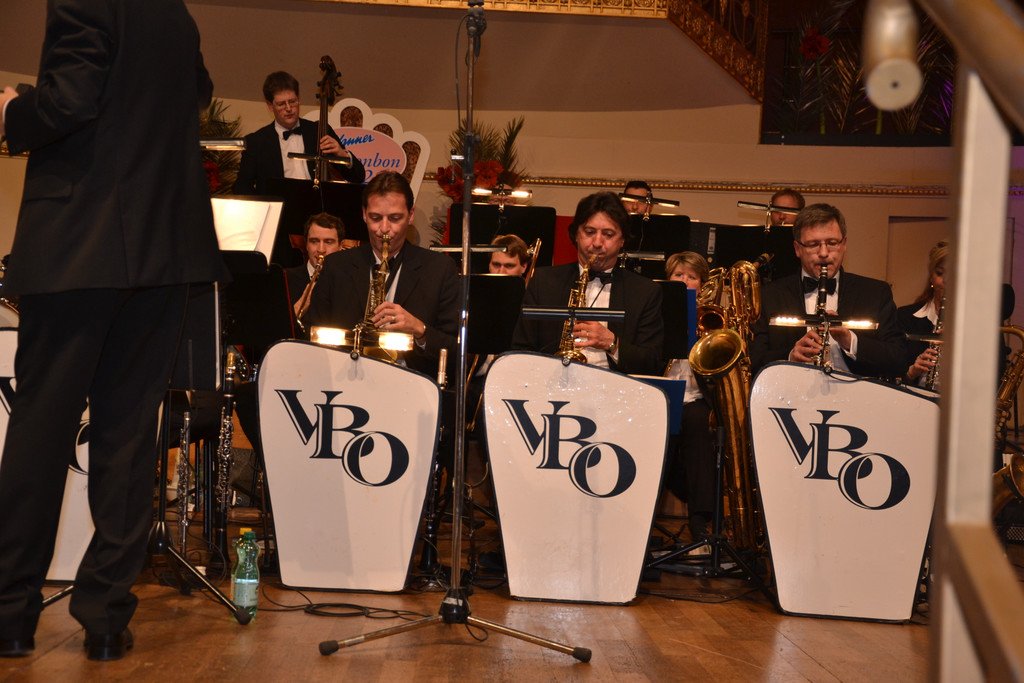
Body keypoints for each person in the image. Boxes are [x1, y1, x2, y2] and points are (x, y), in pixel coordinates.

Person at [0, 0, 223, 661]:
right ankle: (104, 614)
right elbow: (197, 91)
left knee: (41, 431)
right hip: (162, 249)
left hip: (78, 247)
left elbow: (70, 98)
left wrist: (13, 110)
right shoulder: (175, 13)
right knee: (127, 436)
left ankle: (10, 612)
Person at [306, 172, 459, 376]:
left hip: (412, 383)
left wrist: (419, 329)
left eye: (395, 218)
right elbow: (313, 336)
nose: (384, 229)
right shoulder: (336, 266)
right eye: (376, 218)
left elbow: (456, 350)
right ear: (364, 214)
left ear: (411, 215)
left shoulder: (439, 268)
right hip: (344, 381)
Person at [512, 191, 664, 376]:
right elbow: (520, 349)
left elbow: (652, 363)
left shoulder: (645, 292)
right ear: (576, 234)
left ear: (622, 240)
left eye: (608, 234)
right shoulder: (543, 281)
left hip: (615, 388)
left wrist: (612, 343)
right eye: (589, 232)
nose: (597, 243)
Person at [750, 203, 906, 378]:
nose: (824, 253)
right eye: (813, 244)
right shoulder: (769, 295)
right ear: (797, 249)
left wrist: (851, 342)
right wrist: (790, 357)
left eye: (832, 243)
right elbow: (752, 362)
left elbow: (899, 360)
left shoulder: (875, 293)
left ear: (844, 244)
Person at [232, 71, 365, 195]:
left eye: (292, 101)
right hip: (280, 209)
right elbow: (241, 187)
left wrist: (342, 154)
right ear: (270, 106)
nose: (289, 108)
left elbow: (358, 177)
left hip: (316, 208)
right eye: (281, 104)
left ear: (299, 99)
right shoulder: (256, 142)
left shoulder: (319, 131)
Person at [663, 252, 715, 545]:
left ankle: (700, 519)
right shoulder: (655, 310)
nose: (684, 281)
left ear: (702, 285)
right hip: (662, 394)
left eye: (692, 277)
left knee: (699, 425)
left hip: (695, 396)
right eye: (678, 275)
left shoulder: (710, 317)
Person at [897, 241, 947, 388]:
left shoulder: (981, 325)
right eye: (940, 273)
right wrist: (912, 372)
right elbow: (890, 376)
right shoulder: (904, 317)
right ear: (931, 277)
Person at [286, 212, 346, 309]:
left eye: (328, 242)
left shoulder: (351, 281)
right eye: (314, 241)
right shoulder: (285, 279)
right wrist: (298, 308)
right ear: (306, 244)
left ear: (340, 246)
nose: (321, 249)